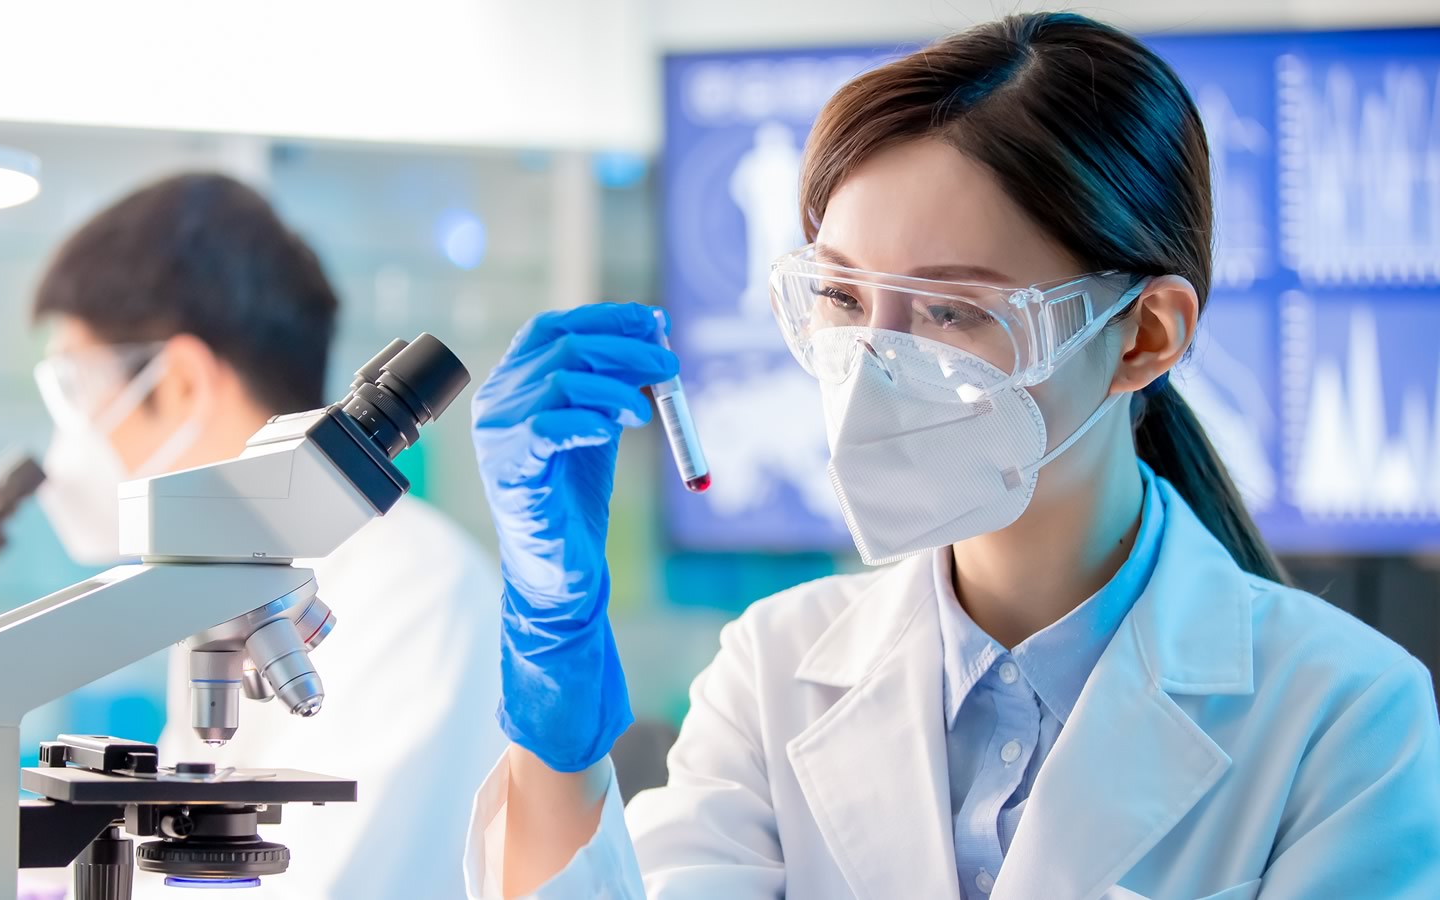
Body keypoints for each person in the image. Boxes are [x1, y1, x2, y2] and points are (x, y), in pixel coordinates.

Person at [464, 13, 1440, 900]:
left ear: (1143, 335)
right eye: (842, 300)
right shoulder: (773, 668)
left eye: (951, 312)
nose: (871, 367)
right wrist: (556, 710)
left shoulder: (1343, 716)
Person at [29, 173, 503, 898]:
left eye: (80, 389)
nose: (70, 439)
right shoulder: (216, 572)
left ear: (182, 383)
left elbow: (322, 880)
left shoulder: (418, 589)